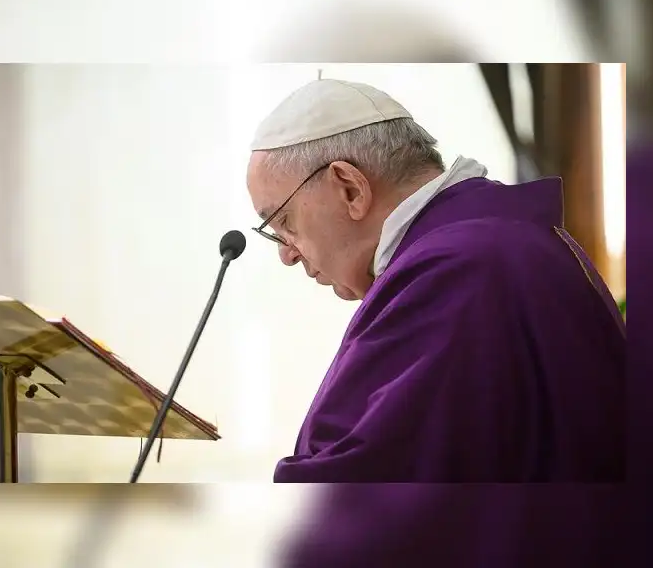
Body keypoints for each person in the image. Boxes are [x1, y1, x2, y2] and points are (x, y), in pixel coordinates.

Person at [246, 79, 625, 483]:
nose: (287, 254)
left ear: (350, 188)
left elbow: (362, 490)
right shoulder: (484, 245)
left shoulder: (459, 270)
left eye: (283, 223)